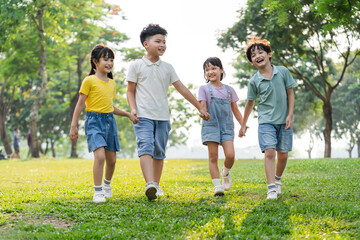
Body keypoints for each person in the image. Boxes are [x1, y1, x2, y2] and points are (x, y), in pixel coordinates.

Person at [126, 24, 210, 201]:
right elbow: (130, 91)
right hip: (143, 116)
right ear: (145, 44)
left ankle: (155, 186)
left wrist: (199, 107)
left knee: (159, 151)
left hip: (163, 117)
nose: (162, 45)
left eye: (164, 42)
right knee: (145, 146)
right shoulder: (136, 66)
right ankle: (149, 183)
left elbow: (182, 89)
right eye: (158, 41)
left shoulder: (168, 68)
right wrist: (132, 108)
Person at [69, 44, 137, 203]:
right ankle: (98, 191)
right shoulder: (89, 80)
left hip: (109, 122)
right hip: (93, 122)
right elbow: (80, 104)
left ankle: (107, 185)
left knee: (112, 160)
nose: (109, 63)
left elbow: (110, 107)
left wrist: (127, 114)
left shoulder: (111, 83)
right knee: (99, 157)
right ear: (95, 61)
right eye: (105, 59)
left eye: (112, 60)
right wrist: (73, 126)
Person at [239, 36, 296, 200]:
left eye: (260, 52)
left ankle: (277, 180)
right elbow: (250, 104)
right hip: (266, 122)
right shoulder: (254, 81)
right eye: (253, 55)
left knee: (283, 155)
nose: (257, 56)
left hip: (284, 121)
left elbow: (290, 93)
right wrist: (243, 125)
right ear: (252, 62)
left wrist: (290, 115)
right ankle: (271, 188)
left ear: (269, 54)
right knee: (270, 152)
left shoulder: (283, 72)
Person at [199, 57, 246, 196]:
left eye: (213, 68)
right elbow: (202, 106)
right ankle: (217, 186)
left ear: (221, 70)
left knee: (230, 155)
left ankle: (225, 172)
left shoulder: (229, 90)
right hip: (211, 125)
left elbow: (235, 110)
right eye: (207, 70)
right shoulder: (204, 89)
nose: (210, 72)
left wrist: (243, 125)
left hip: (226, 126)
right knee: (213, 157)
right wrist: (203, 114)